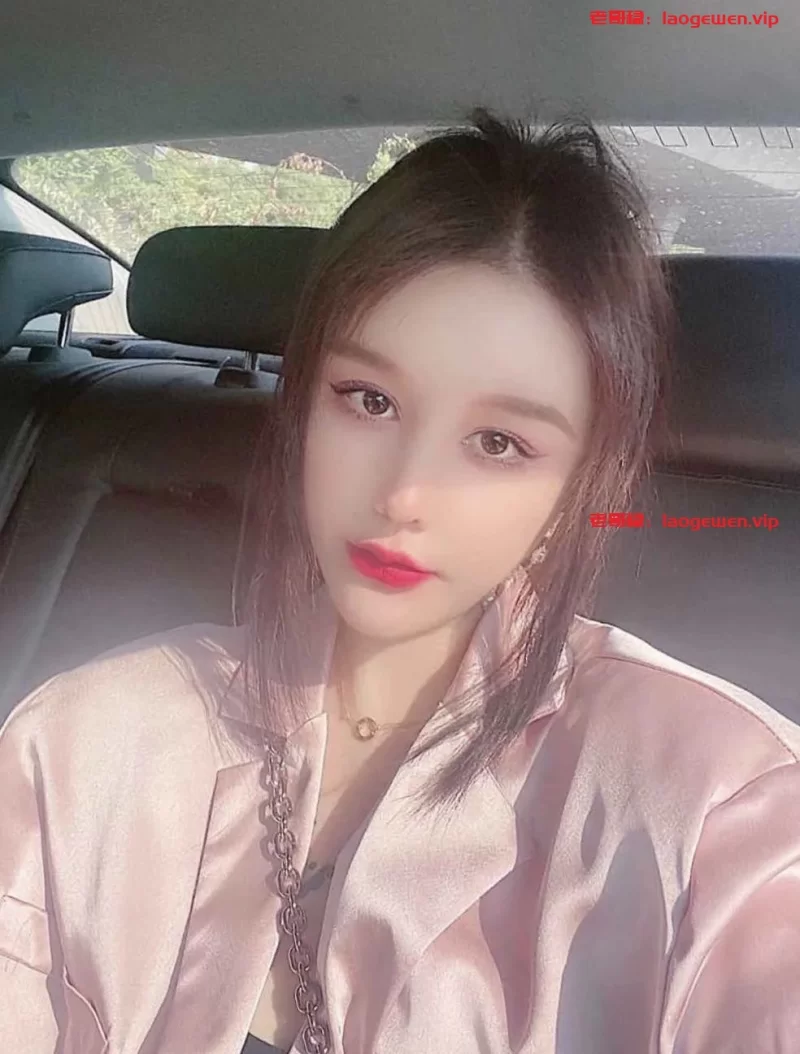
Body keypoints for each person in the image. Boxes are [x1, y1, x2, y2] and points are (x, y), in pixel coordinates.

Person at [2, 106, 799, 1054]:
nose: (405, 494)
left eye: (498, 442)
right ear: (305, 403)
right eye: (369, 400)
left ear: (584, 482)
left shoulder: (720, 806)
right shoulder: (83, 743)